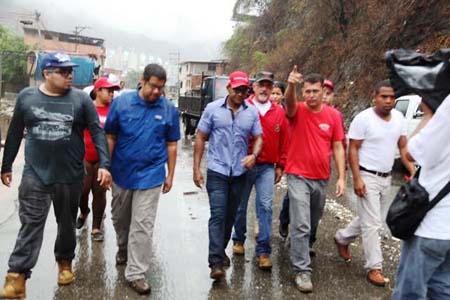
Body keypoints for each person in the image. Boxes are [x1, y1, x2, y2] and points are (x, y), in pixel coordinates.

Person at [0, 52, 112, 299]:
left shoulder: (81, 100)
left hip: (70, 174)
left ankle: (64, 262)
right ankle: (16, 276)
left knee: (66, 224)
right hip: (35, 173)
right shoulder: (26, 98)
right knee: (31, 223)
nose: (69, 75)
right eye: (62, 72)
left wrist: (104, 163)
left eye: (70, 71)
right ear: (46, 73)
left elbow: (97, 132)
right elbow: (16, 132)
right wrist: (6, 165)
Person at [104, 64, 180, 295]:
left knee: (143, 224)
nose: (157, 92)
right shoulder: (122, 104)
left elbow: (172, 144)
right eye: (153, 86)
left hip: (151, 174)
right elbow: (110, 136)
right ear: (143, 81)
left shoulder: (168, 110)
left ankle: (136, 272)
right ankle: (123, 247)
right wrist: (106, 167)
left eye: (161, 88)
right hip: (121, 172)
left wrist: (170, 174)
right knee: (120, 218)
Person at [333, 80, 415, 286]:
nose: (388, 101)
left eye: (391, 97)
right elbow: (353, 149)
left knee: (370, 217)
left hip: (386, 176)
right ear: (374, 97)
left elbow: (403, 147)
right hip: (367, 176)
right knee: (373, 224)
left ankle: (342, 238)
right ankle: (374, 267)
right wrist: (357, 178)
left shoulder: (398, 118)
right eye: (383, 97)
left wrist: (412, 168)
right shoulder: (363, 119)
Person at [193, 70, 263, 280]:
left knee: (230, 216)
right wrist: (197, 169)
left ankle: (220, 251)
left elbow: (259, 137)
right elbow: (200, 137)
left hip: (239, 173)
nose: (241, 93)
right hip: (217, 171)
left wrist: (254, 155)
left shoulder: (251, 112)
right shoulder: (213, 109)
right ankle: (215, 262)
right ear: (229, 88)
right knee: (218, 214)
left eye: (245, 89)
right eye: (238, 89)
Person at [284, 66, 346, 293]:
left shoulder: (334, 116)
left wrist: (341, 177)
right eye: (307, 91)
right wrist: (290, 84)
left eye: (315, 91)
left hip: (321, 178)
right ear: (303, 93)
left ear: (323, 92)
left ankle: (301, 243)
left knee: (312, 220)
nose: (310, 95)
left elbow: (338, 146)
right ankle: (302, 271)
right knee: (301, 222)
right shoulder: (297, 110)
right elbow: (289, 106)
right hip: (297, 175)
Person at [392, 96, 450, 299]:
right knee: (442, 286)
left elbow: (410, 153)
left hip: (433, 226)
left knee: (409, 293)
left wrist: (428, 115)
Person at [232, 71, 288, 270]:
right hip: (244, 165)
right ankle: (238, 239)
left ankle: (263, 251)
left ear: (272, 88)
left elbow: (284, 141)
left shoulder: (279, 112)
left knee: (265, 206)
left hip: (266, 167)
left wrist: (281, 164)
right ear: (253, 87)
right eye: (260, 85)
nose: (264, 89)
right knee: (240, 205)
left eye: (268, 85)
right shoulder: (244, 107)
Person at [76, 77, 120, 241]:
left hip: (104, 160)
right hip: (85, 157)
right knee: (83, 190)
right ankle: (84, 211)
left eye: (113, 91)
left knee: (99, 192)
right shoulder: (87, 109)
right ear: (98, 91)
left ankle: (95, 228)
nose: (111, 94)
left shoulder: (114, 111)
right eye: (108, 91)